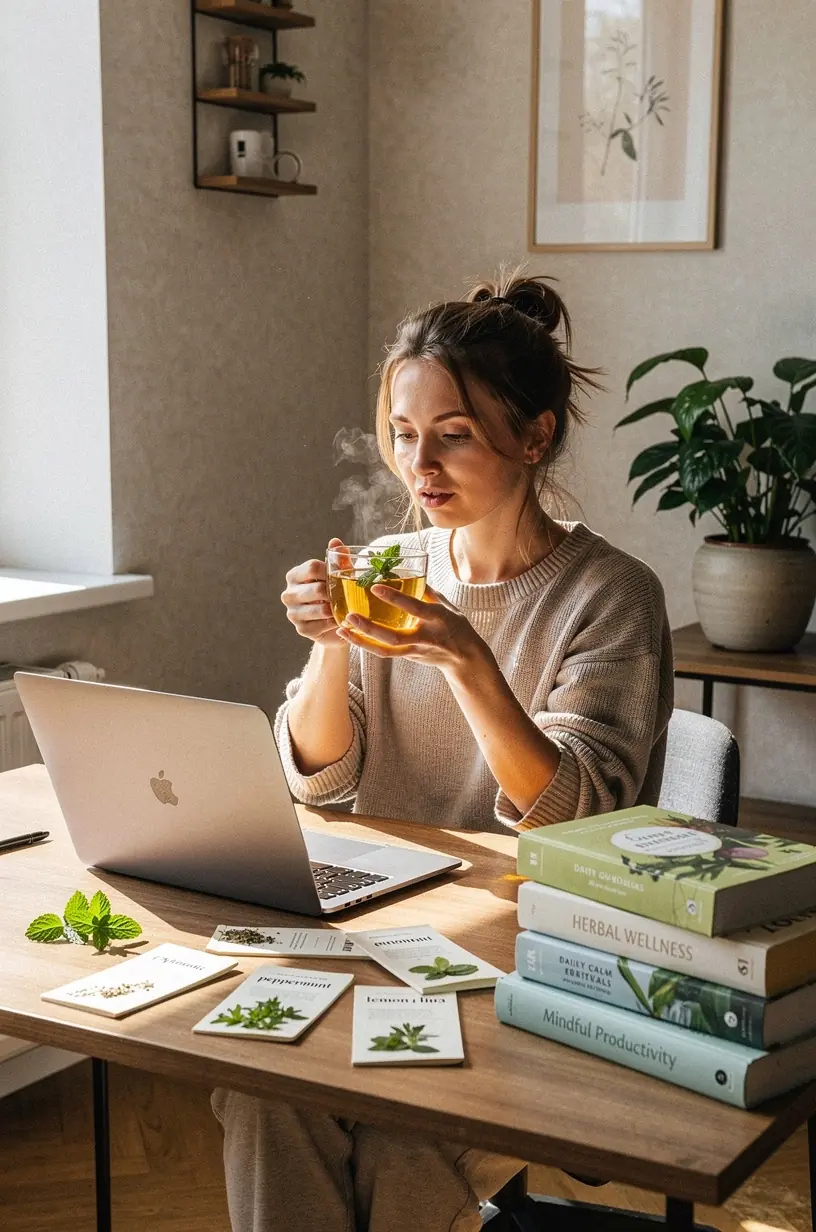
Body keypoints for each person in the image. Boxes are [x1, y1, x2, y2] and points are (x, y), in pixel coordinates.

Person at [212, 273, 674, 1232]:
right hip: (381, 939)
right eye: (403, 430)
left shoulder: (610, 595)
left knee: (403, 1131)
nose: (419, 464)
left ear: (535, 438)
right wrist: (329, 638)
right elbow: (320, 783)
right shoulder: (393, 569)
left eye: (455, 432)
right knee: (264, 1087)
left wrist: (467, 656)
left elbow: (577, 815)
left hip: (537, 959)